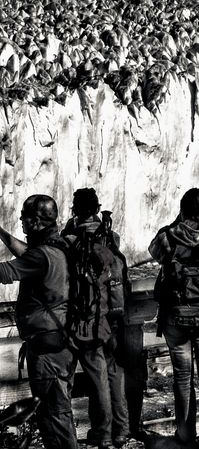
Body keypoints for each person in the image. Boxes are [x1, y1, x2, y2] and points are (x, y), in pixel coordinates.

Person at [148, 188, 199, 448]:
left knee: (182, 377)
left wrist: (175, 225)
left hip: (175, 319)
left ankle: (185, 435)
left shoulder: (166, 238)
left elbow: (153, 253)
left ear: (181, 209)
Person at [0, 195, 78, 449]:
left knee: (54, 416)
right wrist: (1, 233)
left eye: (24, 217)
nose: (21, 221)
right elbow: (27, 253)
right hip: (61, 342)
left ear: (35, 221)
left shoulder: (42, 255)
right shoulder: (59, 246)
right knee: (58, 412)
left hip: (47, 350)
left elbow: (7, 271)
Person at [61, 188, 129, 449]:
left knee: (84, 377)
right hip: (107, 316)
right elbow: (116, 278)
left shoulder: (68, 240)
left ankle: (94, 434)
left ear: (75, 210)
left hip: (78, 319)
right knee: (111, 375)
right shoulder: (111, 237)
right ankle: (118, 431)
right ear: (98, 209)